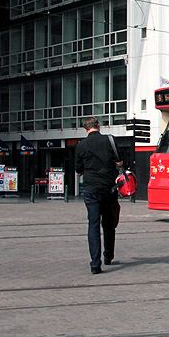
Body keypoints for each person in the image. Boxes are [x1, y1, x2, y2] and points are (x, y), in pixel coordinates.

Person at [74, 117, 121, 274]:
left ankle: (95, 264)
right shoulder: (110, 140)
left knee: (93, 224)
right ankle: (108, 256)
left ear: (85, 129)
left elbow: (78, 168)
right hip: (108, 187)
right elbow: (119, 161)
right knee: (108, 223)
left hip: (91, 189)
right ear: (98, 126)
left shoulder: (81, 145)